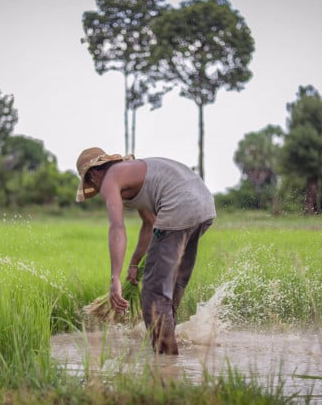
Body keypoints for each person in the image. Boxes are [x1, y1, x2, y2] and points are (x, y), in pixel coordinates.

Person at [75, 147, 216, 354]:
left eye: (90, 182)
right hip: (204, 207)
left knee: (153, 293)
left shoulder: (109, 180)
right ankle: (170, 343)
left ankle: (165, 360)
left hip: (179, 205)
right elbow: (150, 224)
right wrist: (134, 263)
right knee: (173, 284)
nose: (95, 187)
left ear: (93, 174)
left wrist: (115, 278)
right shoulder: (131, 173)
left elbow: (117, 227)